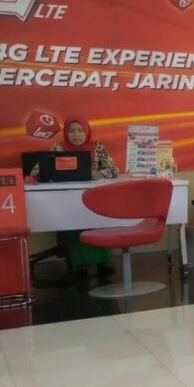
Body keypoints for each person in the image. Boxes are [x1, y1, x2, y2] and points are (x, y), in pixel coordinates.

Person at [49, 117, 120, 277]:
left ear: (87, 132)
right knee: (74, 225)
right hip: (68, 198)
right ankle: (79, 263)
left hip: (95, 197)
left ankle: (103, 262)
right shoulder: (58, 148)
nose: (76, 135)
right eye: (72, 131)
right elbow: (41, 171)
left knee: (99, 222)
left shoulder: (97, 147)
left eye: (80, 130)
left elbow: (114, 170)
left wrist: (91, 173)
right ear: (66, 133)